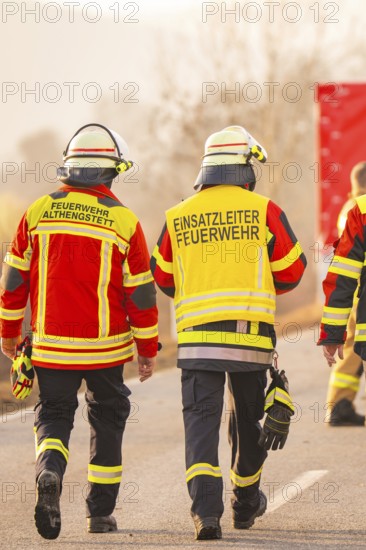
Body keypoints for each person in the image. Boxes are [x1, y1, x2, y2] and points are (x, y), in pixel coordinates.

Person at [0, 124, 158, 540]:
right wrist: (147, 349)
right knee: (107, 420)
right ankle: (99, 514)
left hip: (52, 347)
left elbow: (14, 281)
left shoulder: (36, 213)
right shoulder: (124, 221)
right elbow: (139, 295)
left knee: (53, 416)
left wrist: (8, 333)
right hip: (106, 350)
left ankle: (49, 469)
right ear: (110, 173)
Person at [150, 126, 306, 540]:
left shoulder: (177, 215)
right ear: (245, 167)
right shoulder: (264, 210)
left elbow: (162, 277)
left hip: (198, 341)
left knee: (201, 426)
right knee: (251, 422)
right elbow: (292, 270)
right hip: (249, 340)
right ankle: (244, 501)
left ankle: (206, 514)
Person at [319, 161, 366, 414]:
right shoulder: (356, 211)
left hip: (356, 293)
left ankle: (339, 403)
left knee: (351, 348)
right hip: (359, 295)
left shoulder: (353, 208)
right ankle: (339, 405)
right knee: (352, 349)